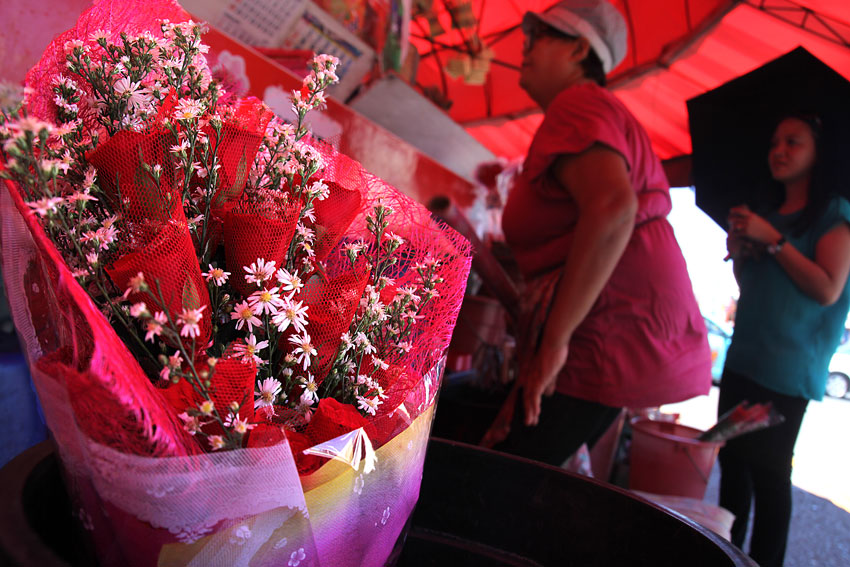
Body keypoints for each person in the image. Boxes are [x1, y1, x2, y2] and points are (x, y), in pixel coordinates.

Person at [480, 0, 712, 467]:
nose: (526, 48)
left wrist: (554, 342)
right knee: (523, 470)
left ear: (579, 49)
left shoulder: (578, 102)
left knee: (506, 478)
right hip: (620, 328)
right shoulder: (588, 111)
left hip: (605, 329)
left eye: (541, 36)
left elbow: (611, 209)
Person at [719, 113, 850, 567]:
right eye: (775, 141)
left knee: (769, 476)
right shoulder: (767, 215)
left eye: (793, 142)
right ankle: (725, 554)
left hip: (788, 373)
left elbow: (828, 288)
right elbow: (751, 289)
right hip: (742, 360)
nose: (779, 149)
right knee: (732, 469)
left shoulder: (833, 214)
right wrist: (741, 250)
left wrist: (773, 242)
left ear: (818, 154)